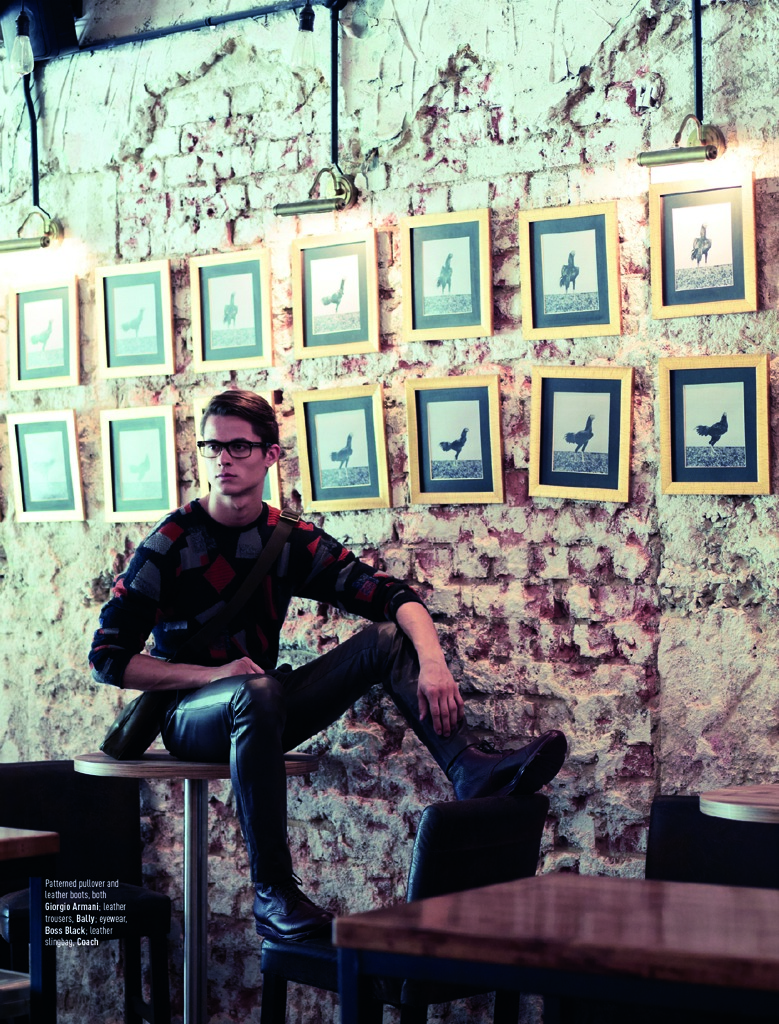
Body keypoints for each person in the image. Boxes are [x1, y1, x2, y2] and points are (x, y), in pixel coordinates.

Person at [90, 390, 567, 942]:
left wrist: (433, 661)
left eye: (239, 447)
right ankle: (273, 893)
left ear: (270, 455)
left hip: (262, 707)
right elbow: (108, 659)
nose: (223, 459)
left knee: (384, 639)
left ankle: (469, 769)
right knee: (257, 690)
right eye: (212, 447)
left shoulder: (287, 538)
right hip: (190, 716)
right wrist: (212, 677)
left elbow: (388, 594)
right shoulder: (171, 541)